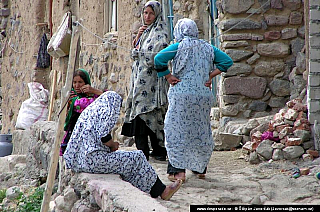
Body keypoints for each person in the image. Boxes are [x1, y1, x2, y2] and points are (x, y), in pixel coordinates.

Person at [154, 18, 233, 182]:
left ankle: (178, 172)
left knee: (176, 131)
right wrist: (210, 75)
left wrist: (168, 76)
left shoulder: (179, 46)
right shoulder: (207, 47)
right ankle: (200, 169)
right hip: (203, 96)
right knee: (200, 130)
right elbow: (227, 61)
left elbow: (158, 59)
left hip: (182, 96)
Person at [63, 91, 182, 200]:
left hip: (82, 161)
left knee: (127, 160)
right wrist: (113, 145)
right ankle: (162, 191)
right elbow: (103, 136)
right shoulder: (106, 110)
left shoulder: (91, 112)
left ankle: (151, 189)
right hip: (93, 161)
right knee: (137, 157)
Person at [121, 1, 169, 161]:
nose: (147, 17)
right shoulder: (145, 32)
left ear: (157, 15)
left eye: (151, 13)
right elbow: (134, 53)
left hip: (152, 84)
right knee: (139, 112)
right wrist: (138, 38)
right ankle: (143, 153)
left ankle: (156, 150)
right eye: (145, 13)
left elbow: (157, 57)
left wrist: (139, 52)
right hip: (138, 82)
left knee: (148, 113)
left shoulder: (161, 33)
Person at [60, 68, 104, 156]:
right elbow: (85, 103)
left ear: (86, 83)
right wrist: (95, 93)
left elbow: (109, 97)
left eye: (80, 82)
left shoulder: (92, 95)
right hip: (73, 135)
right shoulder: (71, 97)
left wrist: (93, 91)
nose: (77, 85)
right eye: (74, 82)